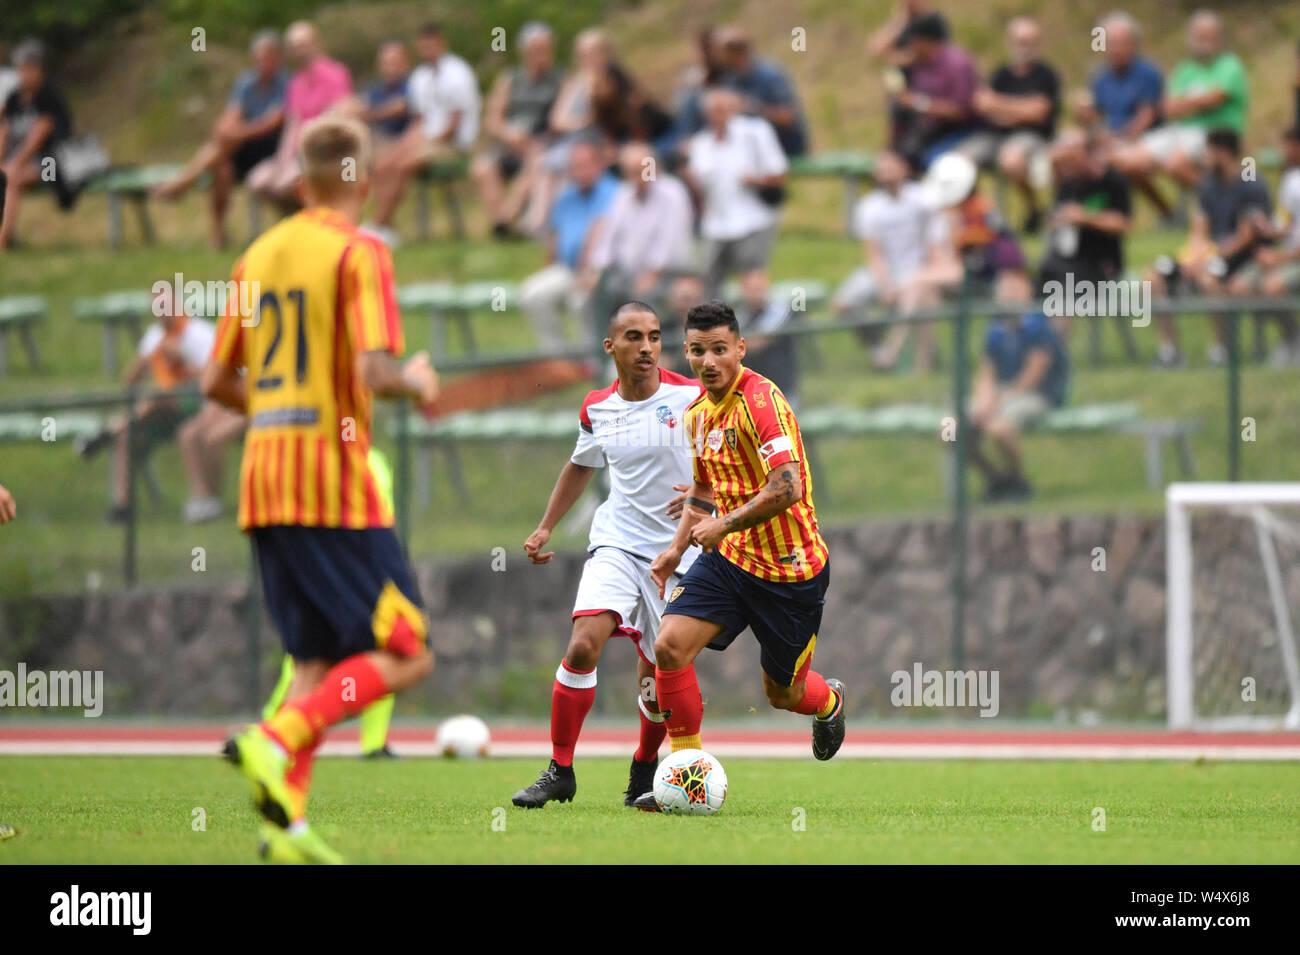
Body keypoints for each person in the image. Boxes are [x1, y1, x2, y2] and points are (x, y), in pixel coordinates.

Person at [206, 115, 440, 865]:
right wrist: (417, 382)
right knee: (409, 650)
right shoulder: (359, 251)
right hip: (330, 483)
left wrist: (274, 414)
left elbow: (216, 381)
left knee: (312, 661)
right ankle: (273, 739)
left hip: (262, 480)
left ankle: (285, 828)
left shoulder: (255, 256)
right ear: (363, 183)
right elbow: (374, 371)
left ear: (299, 180)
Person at [632, 300, 845, 812]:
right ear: (686, 351)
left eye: (720, 350)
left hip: (791, 572)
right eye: (697, 351)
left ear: (740, 349)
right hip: (729, 561)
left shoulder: (762, 401)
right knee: (669, 647)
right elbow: (705, 486)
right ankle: (685, 777)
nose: (708, 361)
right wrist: (675, 548)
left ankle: (830, 703)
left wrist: (721, 523)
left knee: (783, 694)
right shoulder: (696, 414)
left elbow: (787, 486)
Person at [511, 302, 705, 809]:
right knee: (582, 644)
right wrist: (545, 526)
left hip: (676, 551)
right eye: (634, 337)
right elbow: (581, 465)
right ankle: (560, 769)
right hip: (617, 542)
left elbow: (727, 454)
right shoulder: (597, 407)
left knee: (658, 675)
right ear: (610, 346)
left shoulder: (691, 396)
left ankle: (644, 768)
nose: (647, 347)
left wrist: (704, 496)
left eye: (656, 337)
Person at [261, 447, 403, 759]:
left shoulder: (375, 459)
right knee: (314, 654)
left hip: (371, 570)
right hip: (331, 566)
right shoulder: (320, 458)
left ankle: (373, 743)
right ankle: (273, 727)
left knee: (388, 650)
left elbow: (384, 518)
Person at [74, 290, 214, 523]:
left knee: (158, 397)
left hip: (196, 406)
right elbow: (129, 379)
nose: (161, 314)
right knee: (127, 437)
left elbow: (213, 380)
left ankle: (108, 430)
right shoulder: (155, 336)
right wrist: (144, 362)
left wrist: (183, 359)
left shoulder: (200, 333)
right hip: (161, 411)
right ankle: (122, 507)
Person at [1148, 127, 1273, 368]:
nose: (1204, 157)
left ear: (1223, 152)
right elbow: (1199, 231)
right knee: (1153, 277)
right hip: (1210, 256)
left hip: (1240, 258)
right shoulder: (1208, 184)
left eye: (1209, 152)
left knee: (1209, 279)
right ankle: (1170, 351)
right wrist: (1192, 259)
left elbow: (1245, 236)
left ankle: (1224, 348)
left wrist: (1207, 258)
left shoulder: (1250, 181)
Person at [152, 31, 287, 247]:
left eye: (269, 57)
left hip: (271, 149)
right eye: (260, 58)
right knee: (222, 169)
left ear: (278, 58)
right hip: (242, 148)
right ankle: (218, 231)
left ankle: (181, 183)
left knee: (227, 141)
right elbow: (230, 117)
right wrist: (226, 130)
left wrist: (232, 133)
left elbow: (271, 124)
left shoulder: (286, 85)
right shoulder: (245, 83)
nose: (264, 63)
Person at [832, 147, 954, 372]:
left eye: (891, 167)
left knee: (917, 293)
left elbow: (934, 243)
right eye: (882, 169)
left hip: (917, 270)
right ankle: (877, 346)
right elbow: (873, 253)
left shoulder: (923, 199)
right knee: (843, 303)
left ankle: (893, 353)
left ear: (904, 169)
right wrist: (886, 285)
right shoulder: (869, 207)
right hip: (883, 271)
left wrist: (926, 273)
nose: (886, 173)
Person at [1112, 10, 1249, 201]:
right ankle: (1170, 213)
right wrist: (1198, 102)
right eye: (1200, 36)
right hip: (1179, 131)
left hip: (1217, 134)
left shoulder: (1230, 65)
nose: (1205, 41)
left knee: (1174, 164)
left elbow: (1215, 98)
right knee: (1126, 161)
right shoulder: (1185, 69)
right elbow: (1168, 108)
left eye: (1210, 36)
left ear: (1220, 38)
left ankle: (1221, 202)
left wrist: (1187, 103)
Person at [369, 22, 481, 244]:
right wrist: (406, 143)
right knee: (384, 163)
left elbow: (453, 126)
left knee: (405, 163)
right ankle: (386, 227)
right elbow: (420, 120)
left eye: (431, 44)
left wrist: (421, 143)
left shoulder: (458, 73)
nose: (427, 49)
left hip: (454, 146)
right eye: (423, 45)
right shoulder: (420, 76)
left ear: (441, 43)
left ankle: (378, 224)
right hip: (428, 143)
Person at [967, 272, 1070, 503]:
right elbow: (986, 372)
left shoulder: (1038, 326)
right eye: (1004, 287)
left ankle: (1017, 479)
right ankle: (995, 478)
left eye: (1015, 286)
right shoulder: (995, 330)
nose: (1009, 291)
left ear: (1028, 291)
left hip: (1037, 396)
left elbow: (1033, 375)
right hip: (999, 398)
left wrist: (997, 401)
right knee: (948, 429)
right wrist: (983, 398)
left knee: (998, 429)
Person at [684, 87, 787, 298]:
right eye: (713, 110)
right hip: (715, 225)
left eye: (723, 109)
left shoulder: (756, 132)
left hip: (753, 221)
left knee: (752, 280)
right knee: (708, 281)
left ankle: (757, 326)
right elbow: (698, 186)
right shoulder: (701, 144)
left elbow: (779, 173)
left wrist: (754, 180)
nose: (718, 115)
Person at [519, 136, 619, 350]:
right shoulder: (567, 195)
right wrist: (549, 268)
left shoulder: (614, 193)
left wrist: (589, 273)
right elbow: (554, 237)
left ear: (599, 164)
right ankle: (557, 358)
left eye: (584, 166)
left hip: (600, 273)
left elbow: (600, 237)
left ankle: (592, 360)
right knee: (533, 293)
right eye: (574, 167)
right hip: (567, 269)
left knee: (579, 301)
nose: (578, 172)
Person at [588, 141, 695, 335]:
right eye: (631, 171)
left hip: (669, 273)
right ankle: (600, 358)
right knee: (594, 293)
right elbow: (609, 236)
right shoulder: (623, 194)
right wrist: (598, 270)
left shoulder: (672, 192)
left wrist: (653, 272)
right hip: (628, 273)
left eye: (641, 169)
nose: (637, 176)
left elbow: (670, 240)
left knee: (643, 296)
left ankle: (648, 355)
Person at [966, 17, 1060, 232]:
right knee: (963, 159)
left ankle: (1035, 208)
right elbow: (982, 104)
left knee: (1011, 159)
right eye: (1020, 42)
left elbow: (1039, 112)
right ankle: (976, 221)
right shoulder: (1001, 74)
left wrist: (1001, 106)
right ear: (1010, 42)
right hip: (994, 137)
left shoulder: (1046, 75)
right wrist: (1020, 109)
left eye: (1029, 42)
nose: (1024, 48)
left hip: (1032, 138)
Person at [246, 21, 353, 210]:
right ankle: (297, 220)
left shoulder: (336, 74)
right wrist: (282, 160)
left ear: (316, 43)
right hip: (297, 152)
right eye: (295, 46)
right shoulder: (295, 83)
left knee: (284, 183)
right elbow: (292, 125)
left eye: (303, 44)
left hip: (324, 152)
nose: (300, 51)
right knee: (258, 181)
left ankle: (312, 222)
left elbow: (340, 118)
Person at [472, 22, 562, 238]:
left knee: (536, 162)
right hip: (509, 144)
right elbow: (492, 120)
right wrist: (509, 134)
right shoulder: (509, 79)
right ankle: (504, 225)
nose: (541, 56)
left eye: (545, 50)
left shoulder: (560, 80)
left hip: (540, 145)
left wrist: (537, 141)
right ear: (525, 52)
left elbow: (561, 121)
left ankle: (504, 221)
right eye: (536, 50)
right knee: (482, 167)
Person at [1073, 12, 1165, 215]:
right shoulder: (1099, 76)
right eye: (1111, 43)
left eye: (1121, 43)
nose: (1116, 49)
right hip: (1110, 139)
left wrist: (1115, 140)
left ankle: (1163, 211)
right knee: (1068, 153)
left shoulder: (1147, 74)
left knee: (1119, 160)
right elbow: (1094, 116)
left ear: (1134, 44)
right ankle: (1076, 212)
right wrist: (1084, 116)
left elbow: (1146, 118)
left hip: (1145, 138)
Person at [1227, 125, 1300, 365]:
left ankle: (1293, 340)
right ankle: (1275, 341)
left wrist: (1278, 259)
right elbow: (1285, 227)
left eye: (1289, 146)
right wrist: (1264, 227)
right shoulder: (1290, 179)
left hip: (1292, 259)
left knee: (1273, 286)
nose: (1285, 151)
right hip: (1286, 255)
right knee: (1239, 286)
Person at [1037, 128, 1132, 304]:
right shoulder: (1071, 183)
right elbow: (1053, 216)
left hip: (1101, 262)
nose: (1069, 166)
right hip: (1066, 256)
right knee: (1042, 273)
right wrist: (1056, 219)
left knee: (1065, 288)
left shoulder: (1113, 182)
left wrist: (1086, 218)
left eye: (1073, 159)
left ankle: (1059, 331)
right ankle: (1038, 329)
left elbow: (1123, 224)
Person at [0, 40, 72, 250]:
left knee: (11, 178)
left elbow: (38, 136)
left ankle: (4, 242)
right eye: (21, 69)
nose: (24, 74)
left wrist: (12, 164)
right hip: (28, 162)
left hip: (55, 164)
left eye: (28, 68)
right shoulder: (15, 97)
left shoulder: (47, 95)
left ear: (40, 69)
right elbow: (4, 131)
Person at [890, 13, 980, 169]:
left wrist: (917, 103)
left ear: (925, 41)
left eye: (913, 41)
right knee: (899, 155)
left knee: (932, 161)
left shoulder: (957, 64)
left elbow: (959, 111)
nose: (910, 47)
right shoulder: (918, 64)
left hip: (963, 132)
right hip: (929, 132)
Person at [714, 26, 808, 157]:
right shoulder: (730, 79)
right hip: (750, 150)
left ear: (734, 52)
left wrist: (752, 108)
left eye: (721, 51)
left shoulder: (770, 76)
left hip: (785, 147)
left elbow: (788, 117)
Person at [177, 399, 247, 523]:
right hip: (221, 408)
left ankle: (212, 499)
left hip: (247, 413)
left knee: (212, 438)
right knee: (188, 434)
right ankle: (202, 496)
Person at [361, 41, 413, 142]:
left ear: (406, 63)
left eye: (394, 63)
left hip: (401, 139)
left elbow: (398, 107)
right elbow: (361, 103)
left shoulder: (413, 84)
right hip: (377, 137)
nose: (390, 69)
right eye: (386, 63)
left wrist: (368, 116)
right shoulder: (376, 87)